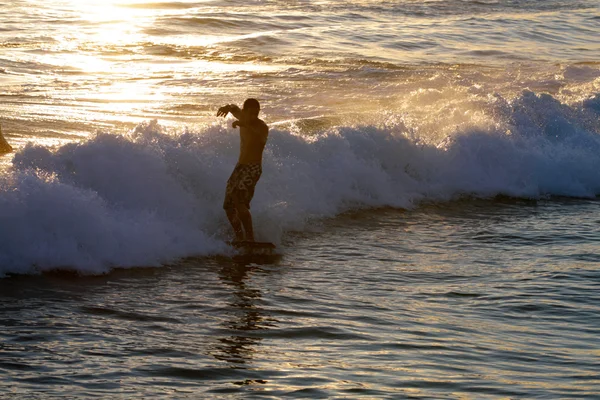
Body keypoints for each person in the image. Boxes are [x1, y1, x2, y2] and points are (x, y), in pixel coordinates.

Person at [217, 98, 269, 243]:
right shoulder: (242, 116)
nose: (254, 117)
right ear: (245, 112)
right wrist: (228, 107)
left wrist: (246, 124)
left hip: (253, 168)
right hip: (240, 167)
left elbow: (260, 138)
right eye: (251, 113)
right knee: (228, 205)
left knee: (239, 200)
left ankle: (250, 239)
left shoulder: (261, 127)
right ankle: (239, 238)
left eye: (256, 113)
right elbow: (235, 108)